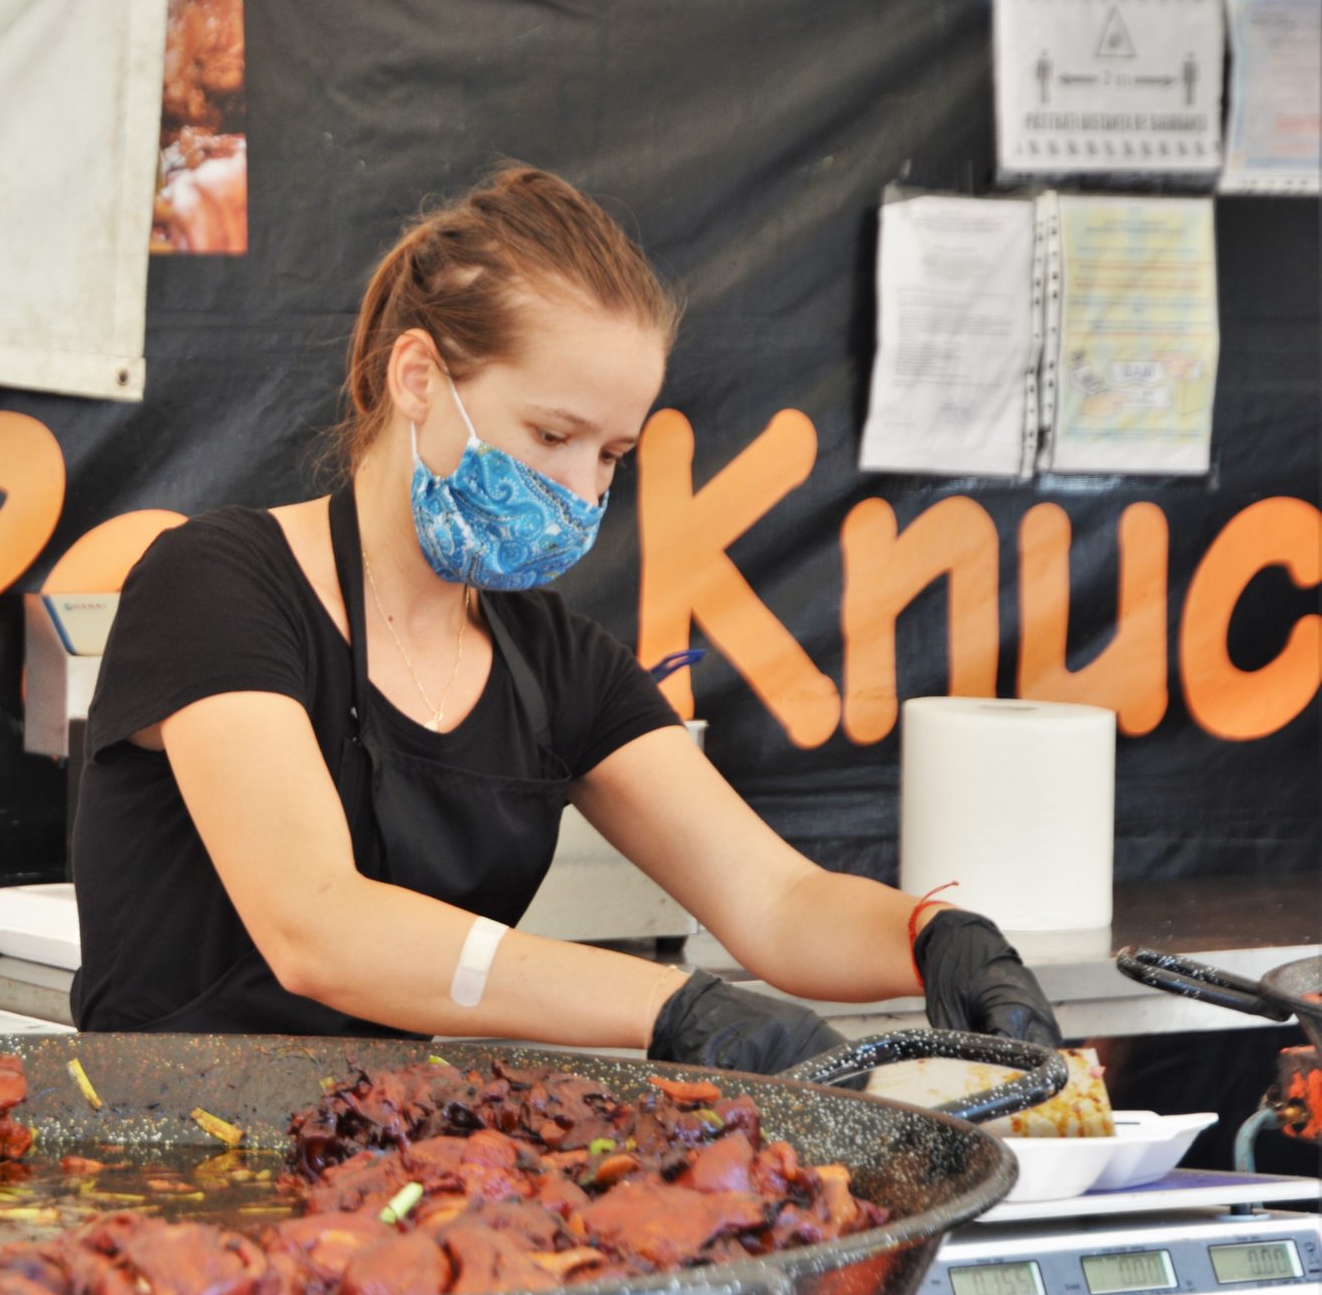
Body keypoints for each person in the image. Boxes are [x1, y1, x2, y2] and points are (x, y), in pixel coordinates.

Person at [69, 166, 1060, 1073]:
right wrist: (668, 1007)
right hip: (165, 1169)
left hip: (377, 1171)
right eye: (551, 434)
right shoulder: (216, 584)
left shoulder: (557, 668)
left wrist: (935, 936)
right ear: (418, 378)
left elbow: (774, 900)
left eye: (612, 454)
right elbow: (316, 927)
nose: (580, 488)